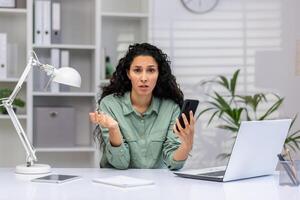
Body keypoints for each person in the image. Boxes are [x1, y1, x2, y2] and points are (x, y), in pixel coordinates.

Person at [89, 43, 196, 170]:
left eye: (151, 70)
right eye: (137, 70)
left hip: (158, 185)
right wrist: (113, 128)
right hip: (117, 183)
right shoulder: (110, 104)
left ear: (158, 73)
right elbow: (120, 164)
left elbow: (173, 164)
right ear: (128, 73)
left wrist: (186, 146)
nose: (144, 78)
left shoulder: (170, 108)